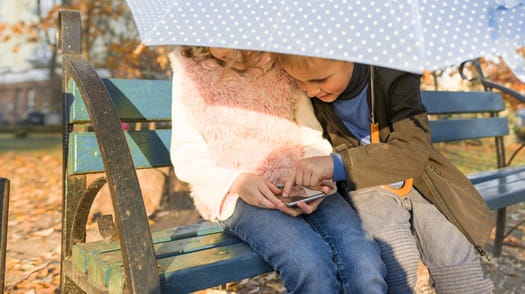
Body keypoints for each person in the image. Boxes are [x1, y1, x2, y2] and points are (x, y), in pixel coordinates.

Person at [169, 46, 387, 293]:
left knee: (364, 263)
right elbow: (187, 157)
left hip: (301, 183)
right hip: (237, 194)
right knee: (309, 262)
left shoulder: (282, 62)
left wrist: (317, 176)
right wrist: (237, 181)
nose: (237, 53)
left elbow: (310, 136)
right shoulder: (190, 73)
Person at [276, 54, 495, 294]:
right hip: (366, 188)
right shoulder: (314, 97)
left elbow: (413, 150)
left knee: (453, 257)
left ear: (352, 55)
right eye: (301, 82)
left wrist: (336, 165)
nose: (310, 90)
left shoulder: (395, 76)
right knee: (396, 259)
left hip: (421, 180)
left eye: (321, 79)